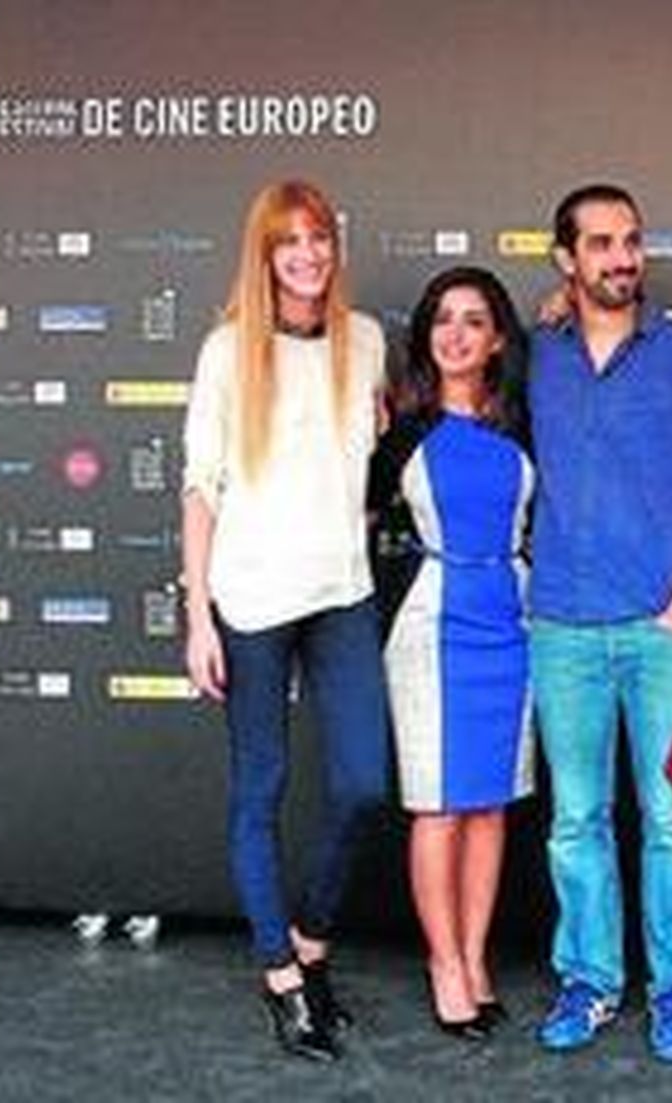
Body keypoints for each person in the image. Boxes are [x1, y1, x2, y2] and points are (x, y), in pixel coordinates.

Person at [527, 183, 672, 1062]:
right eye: (602, 244)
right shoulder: (534, 353)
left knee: (669, 818)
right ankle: (590, 979)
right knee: (576, 817)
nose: (622, 259)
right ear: (566, 261)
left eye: (632, 242)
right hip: (562, 627)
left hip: (664, 631)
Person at [180, 179, 389, 1062]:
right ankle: (281, 976)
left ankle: (309, 940)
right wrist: (199, 615)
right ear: (264, 256)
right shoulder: (230, 351)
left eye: (318, 239)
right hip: (251, 598)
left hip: (342, 590)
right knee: (258, 789)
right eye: (288, 242)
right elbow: (201, 486)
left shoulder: (368, 340)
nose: (307, 255)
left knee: (363, 784)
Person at [371, 266, 535, 1041]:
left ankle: (475, 957)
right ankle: (444, 964)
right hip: (431, 622)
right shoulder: (401, 430)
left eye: (475, 320)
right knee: (439, 804)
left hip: (513, 621)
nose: (457, 333)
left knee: (490, 801)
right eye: (443, 319)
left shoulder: (523, 426)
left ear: (498, 337)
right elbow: (347, 511)